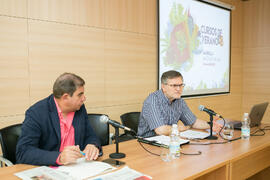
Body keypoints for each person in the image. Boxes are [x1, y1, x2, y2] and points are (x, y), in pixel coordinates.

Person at [16, 73, 101, 166]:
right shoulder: (37, 113)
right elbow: (24, 152)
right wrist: (59, 157)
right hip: (48, 169)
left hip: (77, 167)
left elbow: (90, 135)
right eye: (80, 95)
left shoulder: (79, 108)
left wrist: (92, 145)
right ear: (65, 97)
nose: (84, 98)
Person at [137, 70, 222, 137]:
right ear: (163, 87)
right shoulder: (152, 100)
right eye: (174, 85)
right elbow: (161, 130)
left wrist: (210, 125)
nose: (178, 89)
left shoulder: (179, 101)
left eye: (181, 85)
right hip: (149, 142)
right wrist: (184, 128)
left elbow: (193, 122)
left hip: (169, 139)